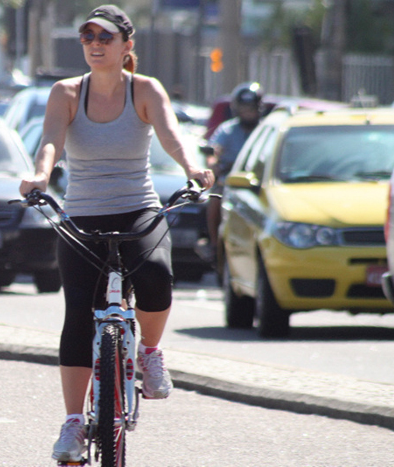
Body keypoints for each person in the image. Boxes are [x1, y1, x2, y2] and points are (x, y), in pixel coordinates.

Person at [18, 5, 214, 463]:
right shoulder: (66, 92)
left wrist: (192, 169)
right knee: (78, 317)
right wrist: (40, 177)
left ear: (127, 46)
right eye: (88, 38)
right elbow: (51, 141)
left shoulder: (145, 90)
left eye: (105, 38)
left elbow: (171, 135)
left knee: (157, 277)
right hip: (82, 214)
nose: (95, 45)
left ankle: (149, 352)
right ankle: (71, 424)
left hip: (138, 209)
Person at [199, 81, 263, 263]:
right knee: (214, 200)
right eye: (244, 108)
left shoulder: (265, 130)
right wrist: (214, 165)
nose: (248, 112)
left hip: (256, 183)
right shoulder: (227, 130)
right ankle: (213, 243)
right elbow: (214, 150)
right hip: (228, 182)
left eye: (251, 108)